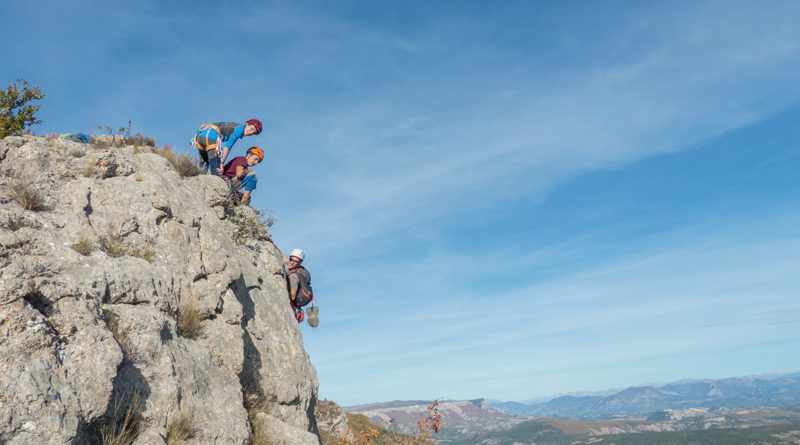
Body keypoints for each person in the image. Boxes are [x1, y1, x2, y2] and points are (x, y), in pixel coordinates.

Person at [192, 119, 262, 175]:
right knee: (217, 171)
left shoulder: (234, 125)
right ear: (247, 124)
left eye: (253, 133)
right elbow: (228, 146)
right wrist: (221, 163)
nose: (250, 133)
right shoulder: (240, 129)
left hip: (200, 137)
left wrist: (206, 127)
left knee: (204, 165)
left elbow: (220, 124)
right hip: (211, 137)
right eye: (251, 129)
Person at [286, 248, 314, 323]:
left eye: (295, 261)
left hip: (298, 299)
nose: (291, 262)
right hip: (306, 297)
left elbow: (293, 296)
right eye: (291, 259)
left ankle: (296, 309)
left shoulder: (294, 276)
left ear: (299, 263)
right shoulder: (302, 270)